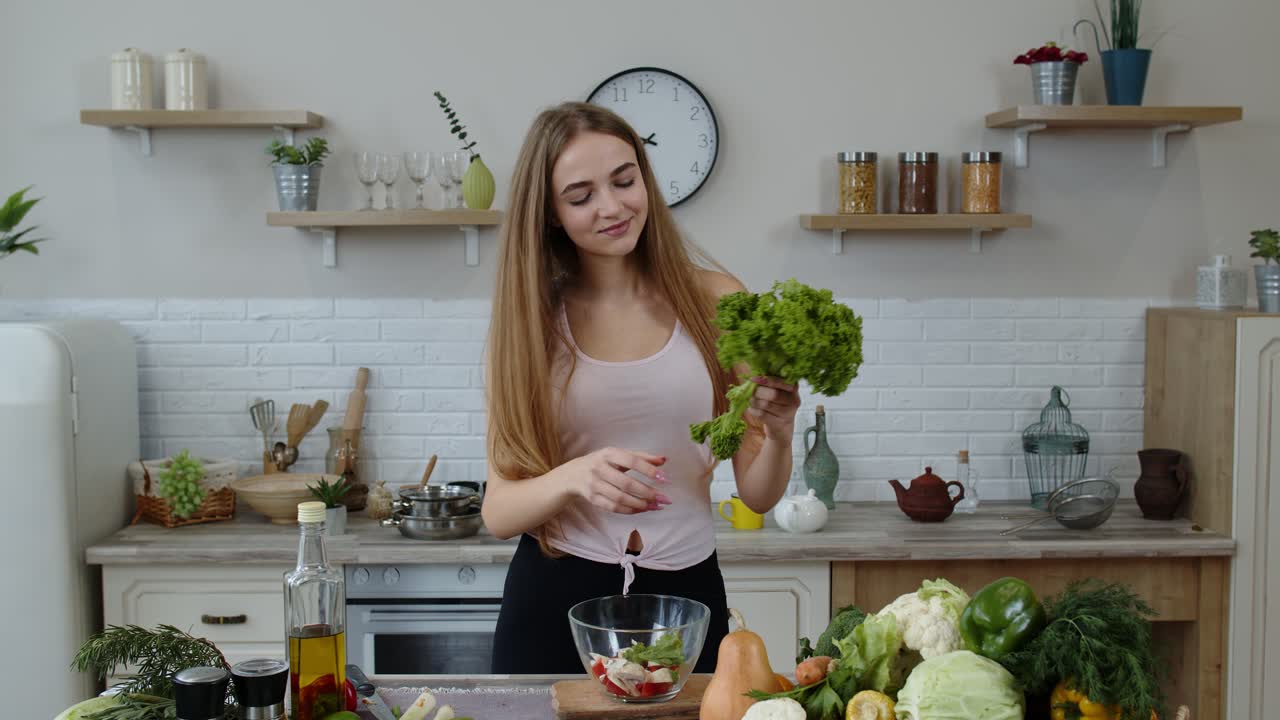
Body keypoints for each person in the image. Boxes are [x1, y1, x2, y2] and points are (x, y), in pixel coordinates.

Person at [483, 101, 800, 674]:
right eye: (580, 197)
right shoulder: (532, 324)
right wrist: (576, 475)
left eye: (625, 181)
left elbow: (758, 494)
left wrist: (778, 433)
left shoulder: (717, 300)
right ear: (551, 213)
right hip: (555, 598)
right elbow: (500, 510)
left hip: (687, 598)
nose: (612, 207)